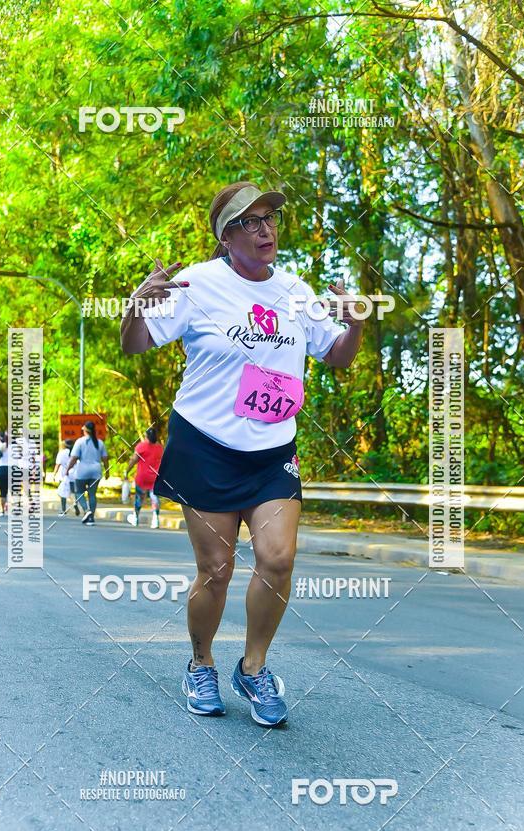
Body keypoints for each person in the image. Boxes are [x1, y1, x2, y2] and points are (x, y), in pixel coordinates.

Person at [120, 181, 365, 727]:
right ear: (226, 236)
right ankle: (201, 662)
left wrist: (355, 324)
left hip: (272, 448)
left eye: (270, 219)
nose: (265, 229)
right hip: (205, 443)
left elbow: (337, 356)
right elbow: (135, 344)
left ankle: (253, 670)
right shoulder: (197, 284)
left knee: (277, 559)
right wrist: (137, 307)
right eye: (250, 222)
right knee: (217, 568)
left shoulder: (296, 290)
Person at [66, 421, 109, 525]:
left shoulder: (80, 442)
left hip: (82, 471)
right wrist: (107, 471)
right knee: (92, 494)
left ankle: (86, 511)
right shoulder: (100, 443)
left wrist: (68, 469)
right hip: (96, 471)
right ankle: (91, 518)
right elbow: (105, 459)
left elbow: (74, 458)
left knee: (79, 492)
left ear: (84, 430)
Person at [125, 427, 163, 528]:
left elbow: (133, 460)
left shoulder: (141, 446)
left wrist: (126, 471)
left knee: (139, 498)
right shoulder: (160, 447)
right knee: (154, 498)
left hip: (142, 477)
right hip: (155, 477)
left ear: (146, 436)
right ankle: (155, 520)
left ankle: (136, 518)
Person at [53, 439, 79, 517]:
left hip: (64, 475)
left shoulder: (61, 453)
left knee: (63, 492)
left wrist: (54, 474)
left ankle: (63, 509)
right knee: (74, 492)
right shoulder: (76, 452)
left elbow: (58, 464)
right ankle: (75, 504)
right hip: (74, 475)